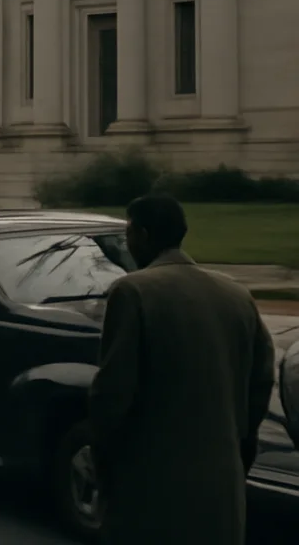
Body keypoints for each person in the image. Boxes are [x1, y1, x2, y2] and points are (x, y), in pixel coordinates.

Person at [88, 193, 276, 545]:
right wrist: (240, 445)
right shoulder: (235, 293)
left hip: (152, 484)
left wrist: (104, 465)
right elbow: (261, 380)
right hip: (221, 485)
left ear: (142, 234)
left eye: (129, 233)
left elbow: (112, 393)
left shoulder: (132, 292)